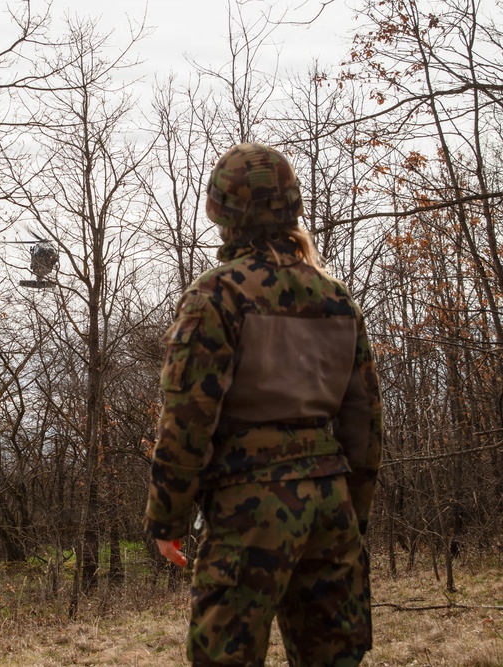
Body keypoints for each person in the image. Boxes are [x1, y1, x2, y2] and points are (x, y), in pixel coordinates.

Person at [144, 143, 382, 666]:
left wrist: (168, 519)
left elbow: (187, 417)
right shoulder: (337, 298)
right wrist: (353, 514)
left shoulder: (217, 295)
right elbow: (364, 423)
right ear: (292, 204)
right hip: (331, 502)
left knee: (223, 656)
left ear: (220, 211)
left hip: (250, 506)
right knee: (335, 656)